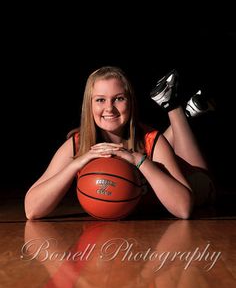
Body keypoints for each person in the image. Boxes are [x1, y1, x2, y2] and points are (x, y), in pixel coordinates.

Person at [24, 66, 215, 220]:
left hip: (193, 183)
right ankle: (186, 115)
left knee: (205, 181)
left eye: (119, 99)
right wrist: (77, 163)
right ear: (88, 106)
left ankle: (174, 109)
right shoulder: (78, 144)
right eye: (100, 100)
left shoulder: (153, 140)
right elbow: (31, 210)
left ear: (130, 102)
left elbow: (183, 210)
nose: (109, 108)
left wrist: (139, 160)